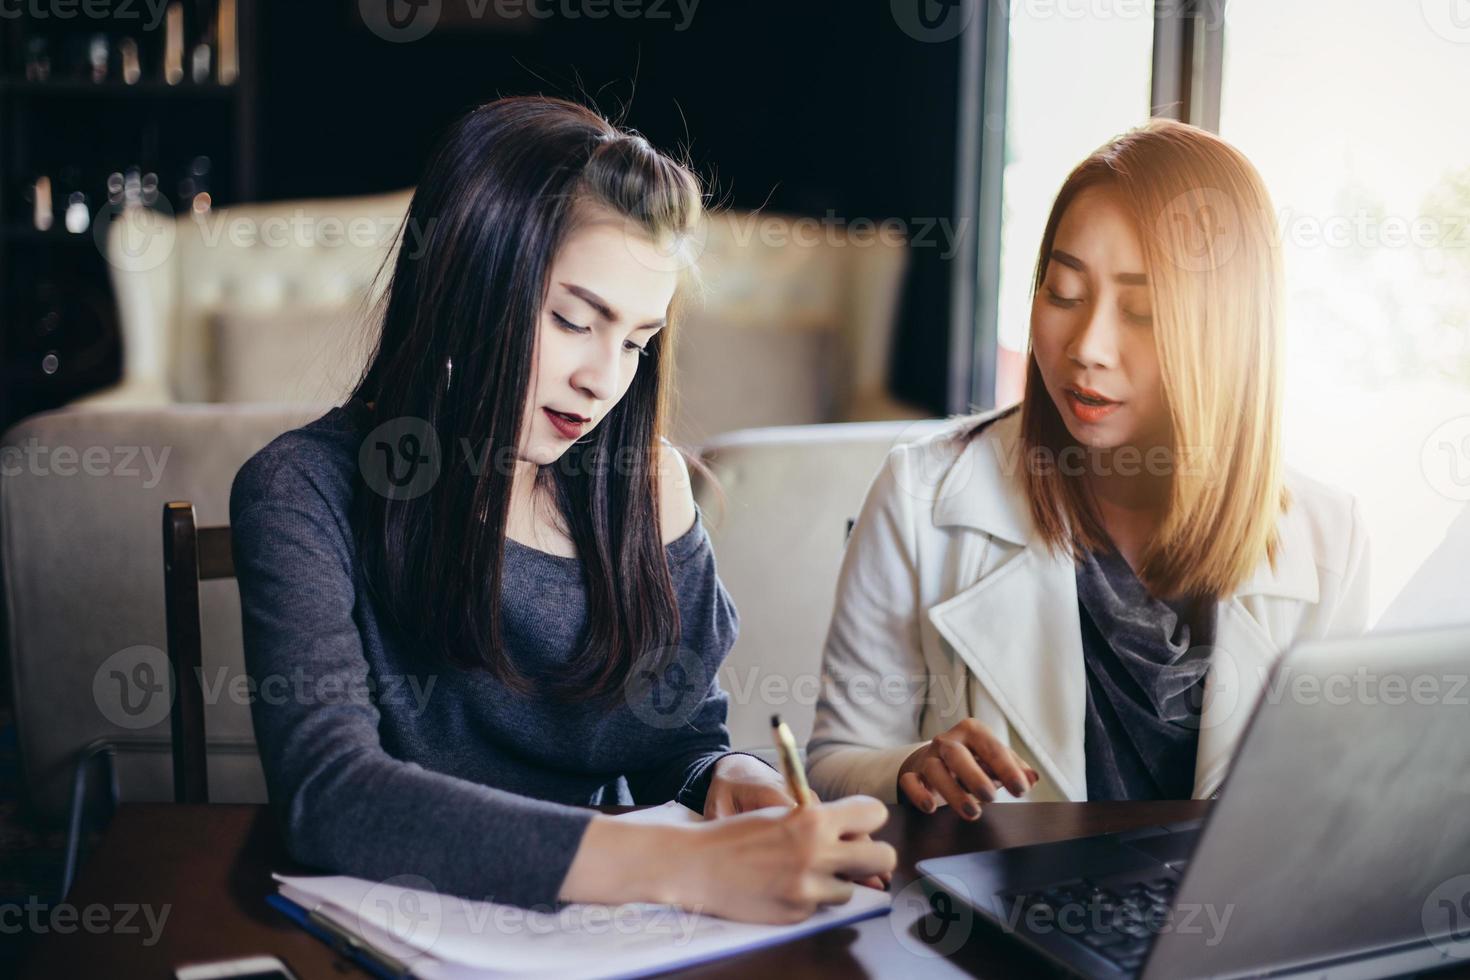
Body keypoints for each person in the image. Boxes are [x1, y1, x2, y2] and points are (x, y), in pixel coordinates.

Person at [231, 96, 894, 924]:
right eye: (574, 320)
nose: (603, 380)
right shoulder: (302, 491)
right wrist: (681, 865)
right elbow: (332, 796)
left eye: (636, 342)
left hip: (591, 939)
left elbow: (675, 744)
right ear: (464, 284)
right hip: (392, 934)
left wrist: (734, 784)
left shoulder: (643, 489)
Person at [807, 119, 1370, 816]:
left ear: (1226, 331)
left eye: (1141, 310)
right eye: (1064, 294)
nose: (1088, 347)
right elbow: (832, 764)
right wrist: (907, 771)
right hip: (1002, 919)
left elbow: (1332, 809)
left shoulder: (1328, 537)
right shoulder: (923, 494)